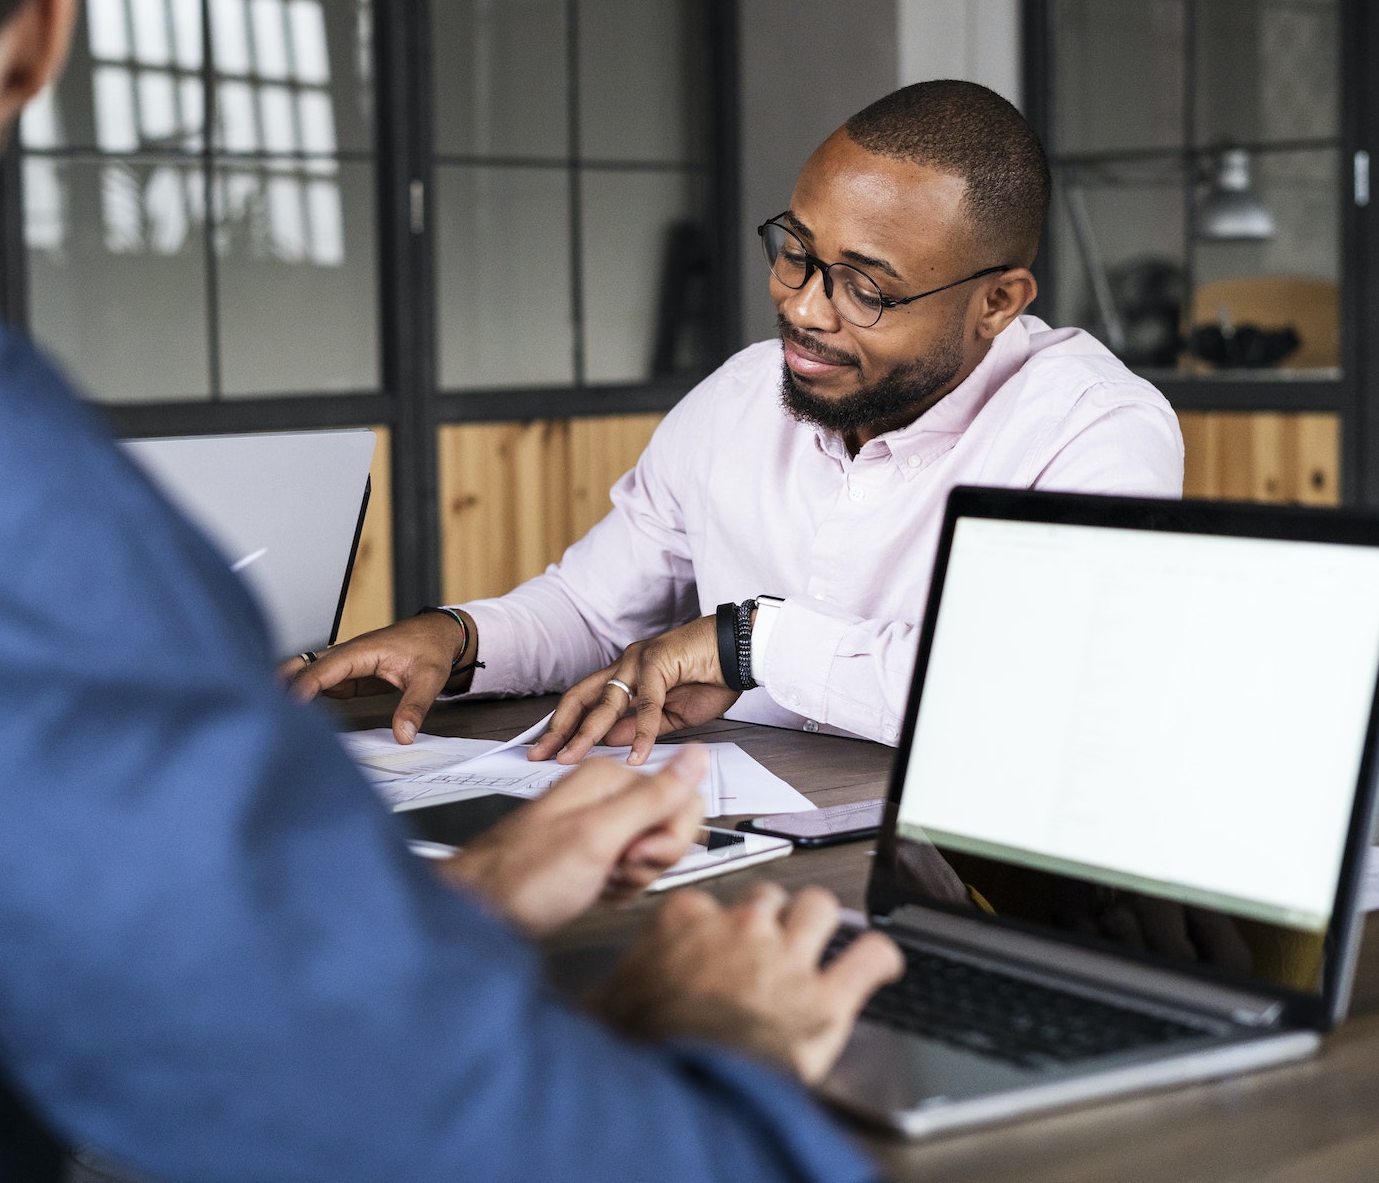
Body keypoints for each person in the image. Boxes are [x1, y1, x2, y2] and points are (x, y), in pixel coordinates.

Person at [0, 0, 902, 1179]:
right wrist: (720, 1052)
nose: (808, 302)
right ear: (47, 20)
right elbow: (406, 1127)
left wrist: (441, 908)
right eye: (800, 259)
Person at [295, 82, 1186, 764]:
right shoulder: (743, 394)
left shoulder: (1095, 432)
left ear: (998, 301)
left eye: (867, 289)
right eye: (796, 251)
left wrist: (744, 643)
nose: (804, 308)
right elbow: (594, 606)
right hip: (734, 829)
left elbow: (1035, 689)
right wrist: (455, 638)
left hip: (947, 876)